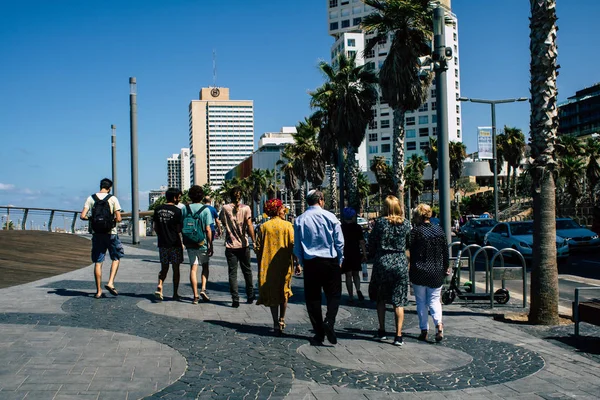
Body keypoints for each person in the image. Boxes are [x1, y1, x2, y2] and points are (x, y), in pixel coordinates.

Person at [294, 189, 344, 345]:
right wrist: (340, 258)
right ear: (321, 200)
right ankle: (329, 321)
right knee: (334, 294)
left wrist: (300, 262)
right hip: (330, 260)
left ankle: (319, 332)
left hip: (311, 263)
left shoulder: (300, 220)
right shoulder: (330, 217)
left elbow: (297, 245)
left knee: (313, 298)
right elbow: (339, 241)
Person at [368, 195, 410, 346]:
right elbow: (409, 244)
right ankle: (398, 336)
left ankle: (382, 330)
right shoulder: (406, 224)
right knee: (398, 301)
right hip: (399, 261)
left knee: (381, 299)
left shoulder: (380, 223)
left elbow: (371, 242)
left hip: (383, 261)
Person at [255, 198, 301, 336]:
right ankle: (282, 318)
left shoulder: (264, 227)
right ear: (277, 210)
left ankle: (275, 321)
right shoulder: (287, 226)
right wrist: (297, 263)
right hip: (284, 264)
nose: (284, 211)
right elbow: (294, 246)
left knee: (273, 292)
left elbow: (257, 247)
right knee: (284, 291)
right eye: (282, 209)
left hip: (268, 266)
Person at [410, 203, 449, 342]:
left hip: (419, 270)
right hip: (436, 270)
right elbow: (445, 251)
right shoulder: (439, 230)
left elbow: (410, 251)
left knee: (421, 301)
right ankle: (439, 324)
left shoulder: (415, 232)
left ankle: (424, 330)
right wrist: (446, 266)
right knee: (434, 300)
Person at [79, 178, 124, 299]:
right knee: (116, 258)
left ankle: (98, 291)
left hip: (97, 233)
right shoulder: (113, 199)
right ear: (110, 188)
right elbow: (119, 218)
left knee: (98, 262)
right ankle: (110, 282)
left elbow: (82, 216)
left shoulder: (91, 198)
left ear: (100, 186)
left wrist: (93, 219)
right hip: (111, 233)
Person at [219, 186, 256, 308]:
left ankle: (235, 299)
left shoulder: (225, 208)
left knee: (232, 273)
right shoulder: (246, 208)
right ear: (241, 196)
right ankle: (250, 295)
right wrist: (254, 241)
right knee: (247, 271)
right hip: (243, 244)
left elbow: (222, 221)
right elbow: (249, 224)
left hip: (231, 245)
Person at [182, 185, 213, 304]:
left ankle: (195, 296)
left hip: (190, 243)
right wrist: (210, 245)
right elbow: (208, 229)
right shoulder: (205, 210)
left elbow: (181, 226)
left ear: (190, 195)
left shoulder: (185, 208)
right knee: (205, 266)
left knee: (193, 268)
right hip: (202, 243)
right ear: (201, 196)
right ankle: (203, 288)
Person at [152, 187, 184, 301]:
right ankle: (175, 293)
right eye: (179, 197)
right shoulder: (177, 211)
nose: (179, 200)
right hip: (175, 243)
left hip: (162, 243)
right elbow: (179, 229)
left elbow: (155, 227)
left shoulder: (158, 209)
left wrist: (161, 234)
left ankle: (160, 284)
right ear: (174, 197)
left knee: (164, 267)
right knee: (176, 269)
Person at [340, 207, 367, 304]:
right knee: (356, 274)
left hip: (346, 252)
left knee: (348, 275)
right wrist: (364, 254)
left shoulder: (341, 227)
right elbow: (362, 242)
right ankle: (358, 290)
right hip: (355, 252)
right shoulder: (357, 227)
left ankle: (351, 296)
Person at [197, 195, 221, 301]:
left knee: (194, 266)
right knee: (206, 262)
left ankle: (196, 295)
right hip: (209, 231)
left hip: (199, 233)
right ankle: (203, 287)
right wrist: (219, 229)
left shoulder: (201, 208)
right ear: (210, 201)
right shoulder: (212, 209)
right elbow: (216, 220)